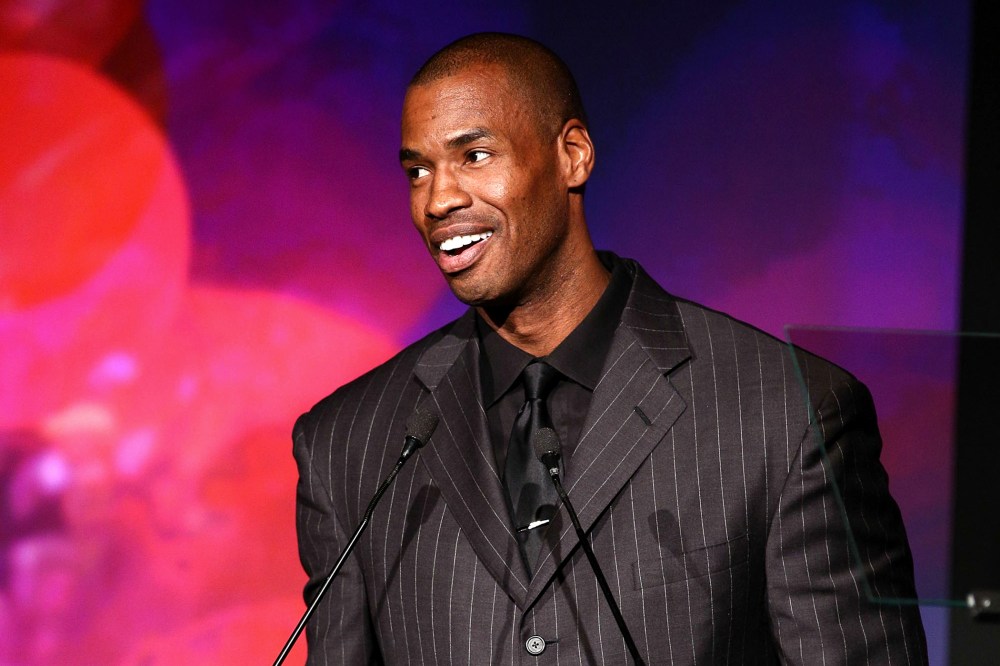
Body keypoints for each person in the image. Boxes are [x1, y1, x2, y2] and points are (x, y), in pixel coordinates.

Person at [293, 32, 927, 664]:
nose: (438, 200)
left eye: (475, 156)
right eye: (418, 171)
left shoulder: (787, 413)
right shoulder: (349, 444)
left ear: (573, 156)